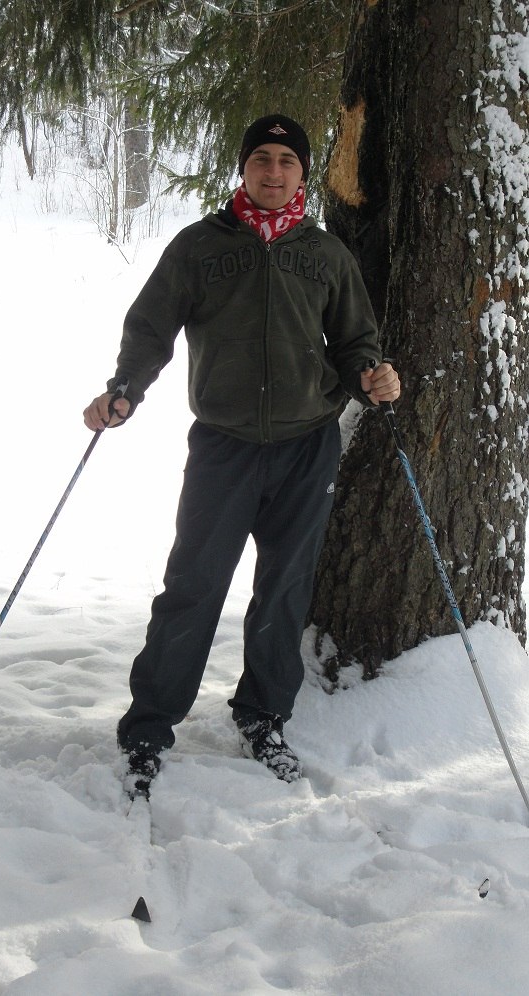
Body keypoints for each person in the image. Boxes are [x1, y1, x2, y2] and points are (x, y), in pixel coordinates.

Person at [84, 114, 400, 799]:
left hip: (305, 445)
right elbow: (150, 327)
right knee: (192, 587)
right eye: (262, 158)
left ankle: (263, 718)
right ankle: (148, 727)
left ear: (303, 173)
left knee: (284, 591)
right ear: (244, 167)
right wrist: (125, 389)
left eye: (287, 160)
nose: (274, 171)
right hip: (224, 448)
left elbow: (354, 342)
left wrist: (373, 373)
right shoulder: (200, 247)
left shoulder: (324, 255)